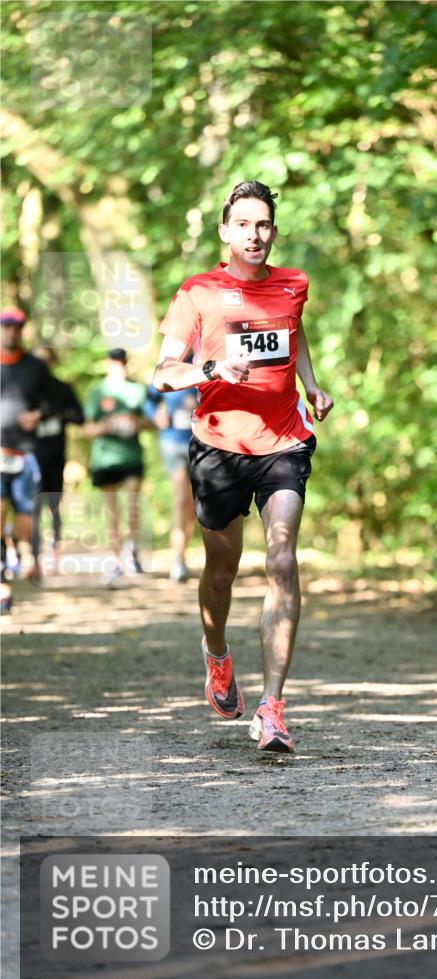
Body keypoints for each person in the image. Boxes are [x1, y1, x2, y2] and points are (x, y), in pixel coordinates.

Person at [152, 180, 333, 753]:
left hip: (283, 441)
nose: (255, 235)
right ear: (226, 232)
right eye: (244, 225)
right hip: (218, 449)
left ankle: (272, 707)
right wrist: (210, 369)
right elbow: (163, 372)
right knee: (222, 573)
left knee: (281, 555)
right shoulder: (198, 292)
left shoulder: (293, 283)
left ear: (272, 232)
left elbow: (292, 330)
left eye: (264, 226)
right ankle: (217, 654)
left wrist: (311, 384)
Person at [83, 348, 151, 584]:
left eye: (121, 362)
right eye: (113, 362)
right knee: (112, 511)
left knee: (132, 504)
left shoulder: (136, 390)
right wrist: (106, 426)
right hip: (104, 459)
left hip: (131, 457)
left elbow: (154, 421)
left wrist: (135, 423)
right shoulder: (98, 391)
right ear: (107, 364)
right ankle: (114, 558)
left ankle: (131, 550)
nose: (117, 366)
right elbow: (87, 429)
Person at [0, 308, 50, 611]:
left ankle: (28, 560)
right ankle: (2, 583)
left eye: (17, 326)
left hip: (26, 454)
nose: (11, 331)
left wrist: (39, 414)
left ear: (22, 330)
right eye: (6, 326)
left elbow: (54, 399)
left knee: (24, 522)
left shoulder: (35, 366)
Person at [31, 345, 84, 574]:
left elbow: (79, 417)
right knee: (31, 506)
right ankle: (33, 558)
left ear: (52, 362)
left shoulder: (62, 388)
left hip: (54, 455)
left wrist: (60, 415)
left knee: (53, 504)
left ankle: (54, 554)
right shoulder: (25, 389)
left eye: (46, 361)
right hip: (30, 457)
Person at [144, 377, 197, 582]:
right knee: (181, 500)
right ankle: (177, 559)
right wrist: (155, 414)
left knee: (193, 505)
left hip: (199, 442)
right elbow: (148, 401)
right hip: (172, 443)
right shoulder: (167, 367)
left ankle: (183, 555)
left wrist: (198, 405)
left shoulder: (203, 361)